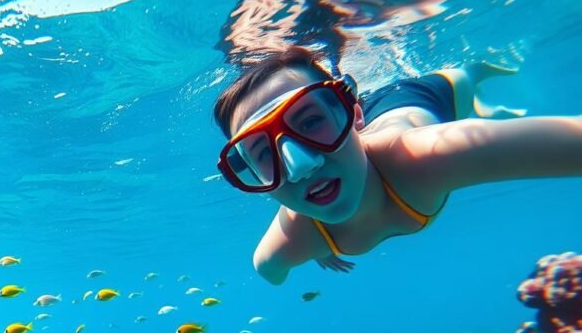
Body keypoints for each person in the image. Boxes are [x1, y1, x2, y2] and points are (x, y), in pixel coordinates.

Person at [213, 47, 582, 285]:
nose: (300, 167)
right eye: (263, 153)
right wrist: (318, 247)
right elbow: (270, 271)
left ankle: (475, 76)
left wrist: (317, 245)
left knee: (464, 81)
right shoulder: (293, 241)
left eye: (309, 121)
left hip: (421, 97)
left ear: (355, 114)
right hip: (357, 130)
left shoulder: (423, 158)